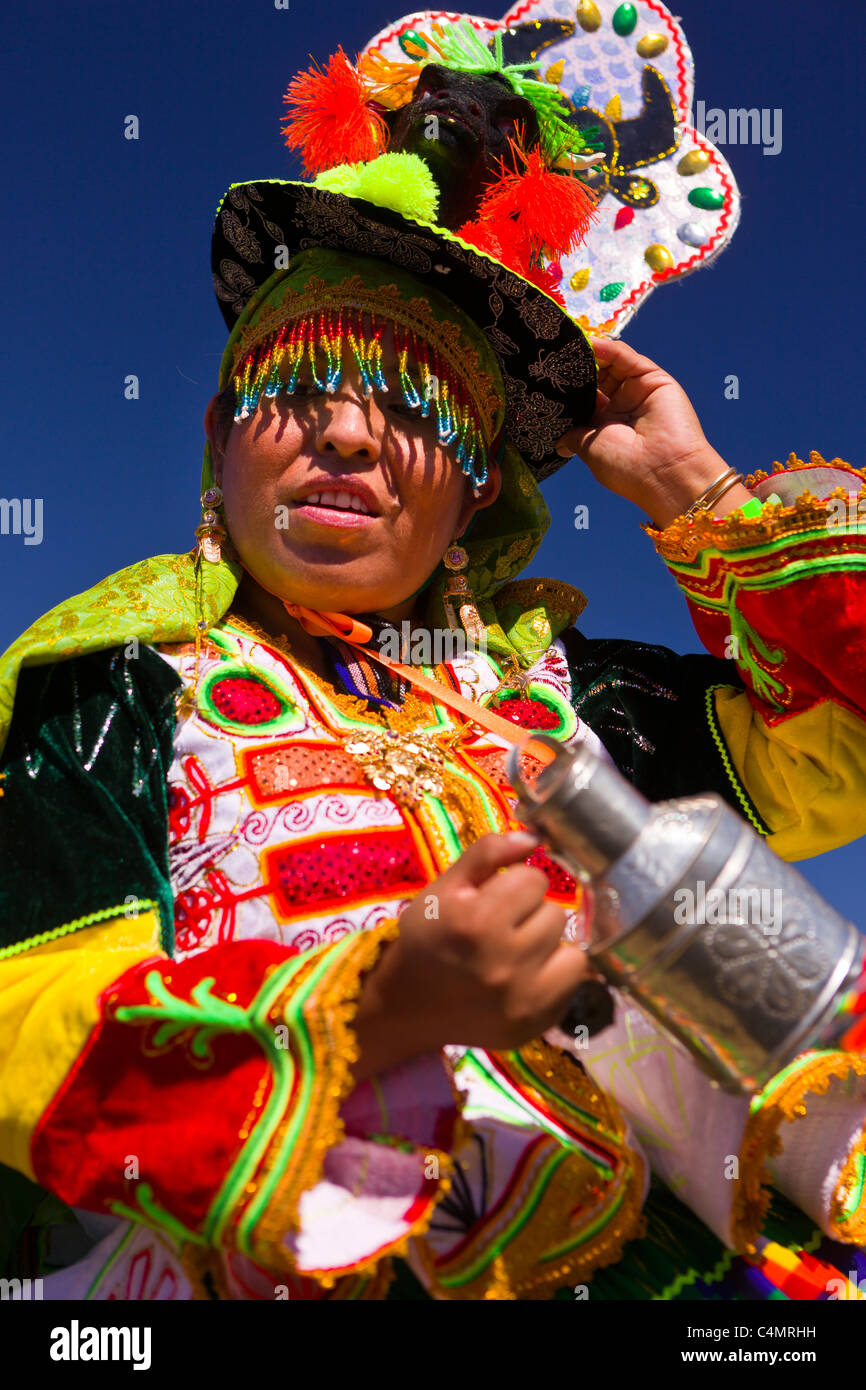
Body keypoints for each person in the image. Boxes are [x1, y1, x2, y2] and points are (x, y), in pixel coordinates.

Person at [1, 24, 865, 1303]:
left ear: (475, 496)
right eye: (299, 387)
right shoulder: (117, 688)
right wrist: (379, 1011)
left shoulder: (591, 709)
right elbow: (30, 1014)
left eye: (412, 405)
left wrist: (698, 490)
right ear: (220, 440)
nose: (345, 431)